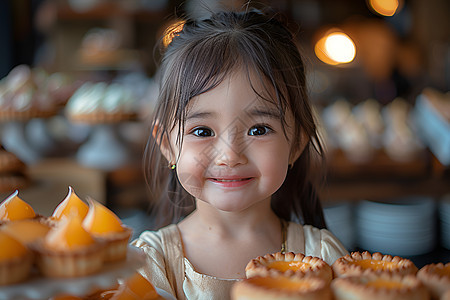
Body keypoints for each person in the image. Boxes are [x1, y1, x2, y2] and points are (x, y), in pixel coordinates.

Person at [132, 8, 348, 299]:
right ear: (167, 146)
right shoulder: (150, 265)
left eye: (258, 129)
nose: (230, 155)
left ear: (297, 143)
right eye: (202, 131)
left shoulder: (324, 258)